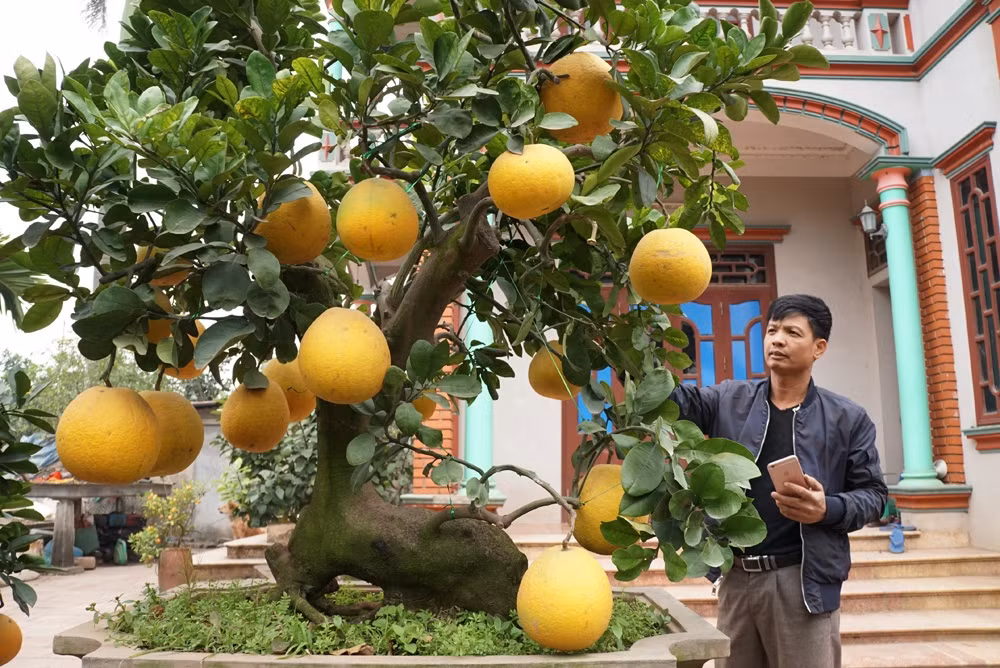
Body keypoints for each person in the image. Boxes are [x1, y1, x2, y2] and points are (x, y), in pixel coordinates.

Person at [669, 294, 888, 668]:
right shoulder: (728, 400)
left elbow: (874, 495)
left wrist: (827, 508)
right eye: (771, 330)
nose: (777, 339)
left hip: (802, 580)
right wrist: (630, 355)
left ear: (819, 347)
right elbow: (676, 400)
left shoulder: (847, 418)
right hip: (737, 578)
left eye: (791, 332)